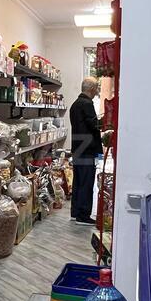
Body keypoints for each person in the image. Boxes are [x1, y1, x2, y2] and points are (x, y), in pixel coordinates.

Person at [69, 77, 105, 224]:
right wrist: (105, 121)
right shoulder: (87, 103)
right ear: (91, 89)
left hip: (78, 146)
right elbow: (94, 125)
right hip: (87, 148)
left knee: (78, 181)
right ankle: (83, 215)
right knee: (86, 182)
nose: (97, 91)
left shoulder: (75, 104)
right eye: (96, 88)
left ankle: (75, 212)